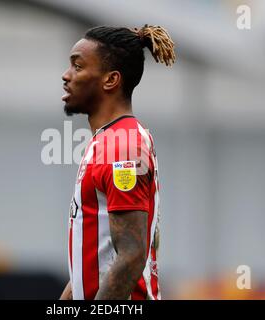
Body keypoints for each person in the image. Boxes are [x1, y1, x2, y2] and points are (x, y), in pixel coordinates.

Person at [59, 25, 175, 300]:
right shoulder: (107, 141)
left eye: (77, 66)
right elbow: (90, 267)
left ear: (110, 80)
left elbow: (131, 255)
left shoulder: (123, 147)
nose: (66, 76)